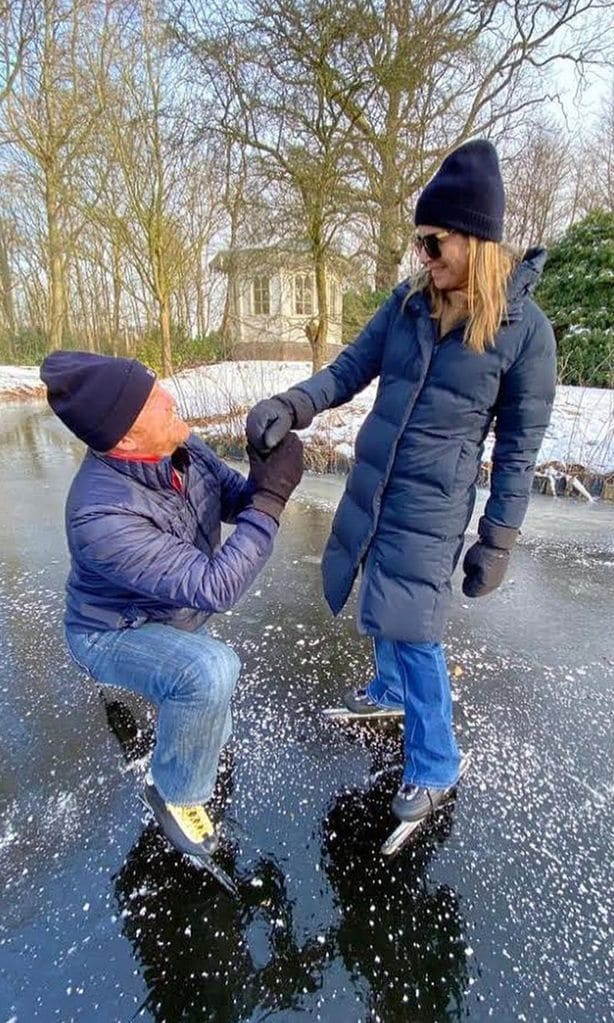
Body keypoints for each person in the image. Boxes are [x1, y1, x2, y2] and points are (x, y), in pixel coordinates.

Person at [247, 139, 557, 825]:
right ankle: (387, 687)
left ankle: (436, 763)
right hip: (378, 479)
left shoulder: (523, 330)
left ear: (473, 239)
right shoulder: (409, 303)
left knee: (414, 628)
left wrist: (497, 538)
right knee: (377, 595)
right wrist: (291, 404)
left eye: (434, 241)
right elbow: (348, 369)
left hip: (436, 502)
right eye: (418, 241)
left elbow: (519, 449)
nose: (423, 254)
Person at [41, 350, 303, 859]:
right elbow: (215, 587)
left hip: (171, 614)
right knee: (208, 672)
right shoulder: (101, 513)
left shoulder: (182, 449)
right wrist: (272, 501)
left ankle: (186, 744)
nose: (169, 398)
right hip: (112, 631)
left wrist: (264, 466)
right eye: (153, 401)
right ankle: (175, 794)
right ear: (125, 438)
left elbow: (235, 500)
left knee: (209, 712)